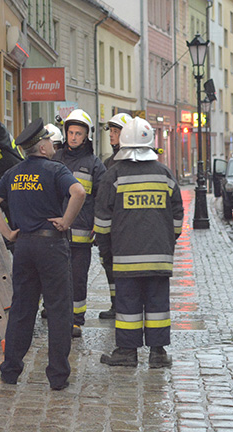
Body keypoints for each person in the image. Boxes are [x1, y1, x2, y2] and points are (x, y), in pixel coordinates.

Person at [0, 118, 85, 390]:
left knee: (21, 309)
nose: (53, 144)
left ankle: (10, 370)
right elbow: (79, 191)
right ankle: (58, 375)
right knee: (59, 310)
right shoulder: (55, 169)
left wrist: (7, 232)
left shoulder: (14, 173)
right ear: (41, 146)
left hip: (25, 246)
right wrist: (66, 220)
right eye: (49, 141)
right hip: (51, 246)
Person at [94, 117, 184, 368]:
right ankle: (158, 353)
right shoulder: (165, 174)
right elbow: (177, 216)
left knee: (128, 306)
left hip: (124, 257)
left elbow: (102, 220)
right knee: (157, 305)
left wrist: (106, 251)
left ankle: (126, 352)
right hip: (159, 256)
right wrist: (167, 241)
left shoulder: (114, 175)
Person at [53, 109, 106, 337]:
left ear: (87, 137)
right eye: (71, 132)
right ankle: (59, 317)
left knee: (78, 278)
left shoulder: (94, 164)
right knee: (57, 278)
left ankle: (76, 320)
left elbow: (103, 197)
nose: (73, 137)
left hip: (83, 234)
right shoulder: (56, 160)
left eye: (78, 133)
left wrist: (98, 222)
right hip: (56, 233)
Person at [98, 112, 133, 319]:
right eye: (110, 131)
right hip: (110, 226)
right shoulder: (109, 162)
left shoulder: (131, 161)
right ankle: (115, 304)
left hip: (126, 225)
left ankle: (126, 303)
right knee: (109, 265)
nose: (111, 135)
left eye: (116, 131)